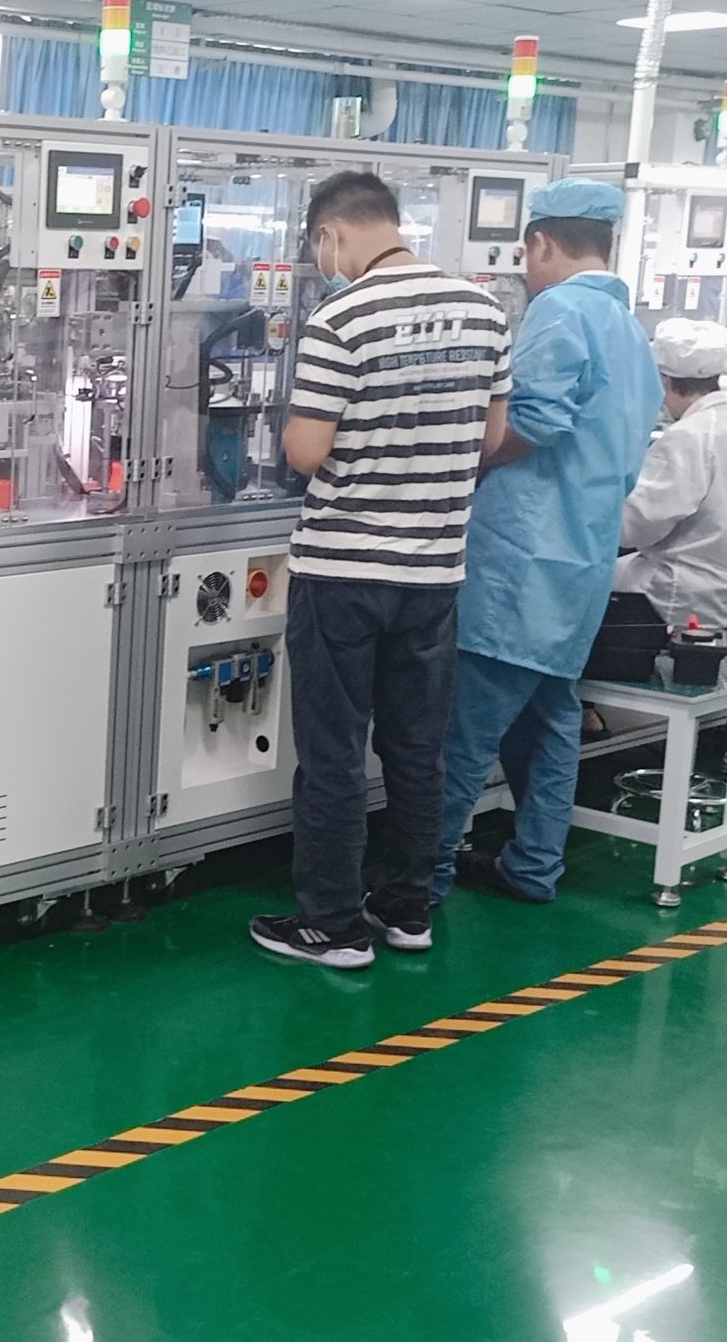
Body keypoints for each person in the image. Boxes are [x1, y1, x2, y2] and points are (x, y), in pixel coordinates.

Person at [247, 172, 511, 969]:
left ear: (330, 235)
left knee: (333, 752)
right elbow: (492, 438)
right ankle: (406, 909)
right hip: (434, 571)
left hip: (344, 569)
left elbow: (305, 451)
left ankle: (332, 923)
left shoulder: (342, 318)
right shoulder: (483, 309)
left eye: (317, 249)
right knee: (416, 750)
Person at [430, 178, 663, 905]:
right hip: (581, 558)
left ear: (540, 243)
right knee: (551, 718)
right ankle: (533, 867)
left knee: (464, 733)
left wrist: (460, 462)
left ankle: (420, 880)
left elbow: (532, 421)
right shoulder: (630, 330)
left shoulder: (560, 309)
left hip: (520, 559)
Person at [612, 319, 727, 629]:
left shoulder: (689, 436)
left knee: (579, 584)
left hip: (686, 594)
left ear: (663, 381)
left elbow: (633, 528)